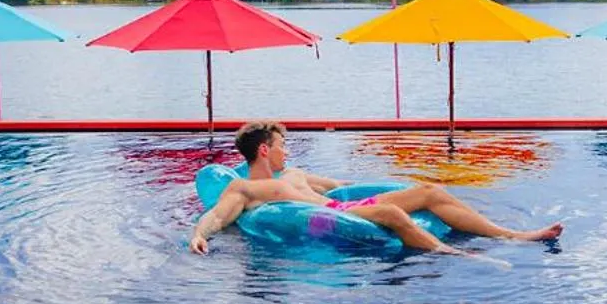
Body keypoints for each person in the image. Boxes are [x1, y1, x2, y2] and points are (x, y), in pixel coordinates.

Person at [188, 120, 564, 255]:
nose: (288, 150)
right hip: (333, 217)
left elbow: (341, 187)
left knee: (430, 191)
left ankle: (513, 235)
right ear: (265, 150)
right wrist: (198, 236)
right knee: (389, 213)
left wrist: (381, 183)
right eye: (283, 144)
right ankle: (456, 254)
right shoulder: (246, 190)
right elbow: (217, 216)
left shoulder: (294, 175)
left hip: (344, 205)